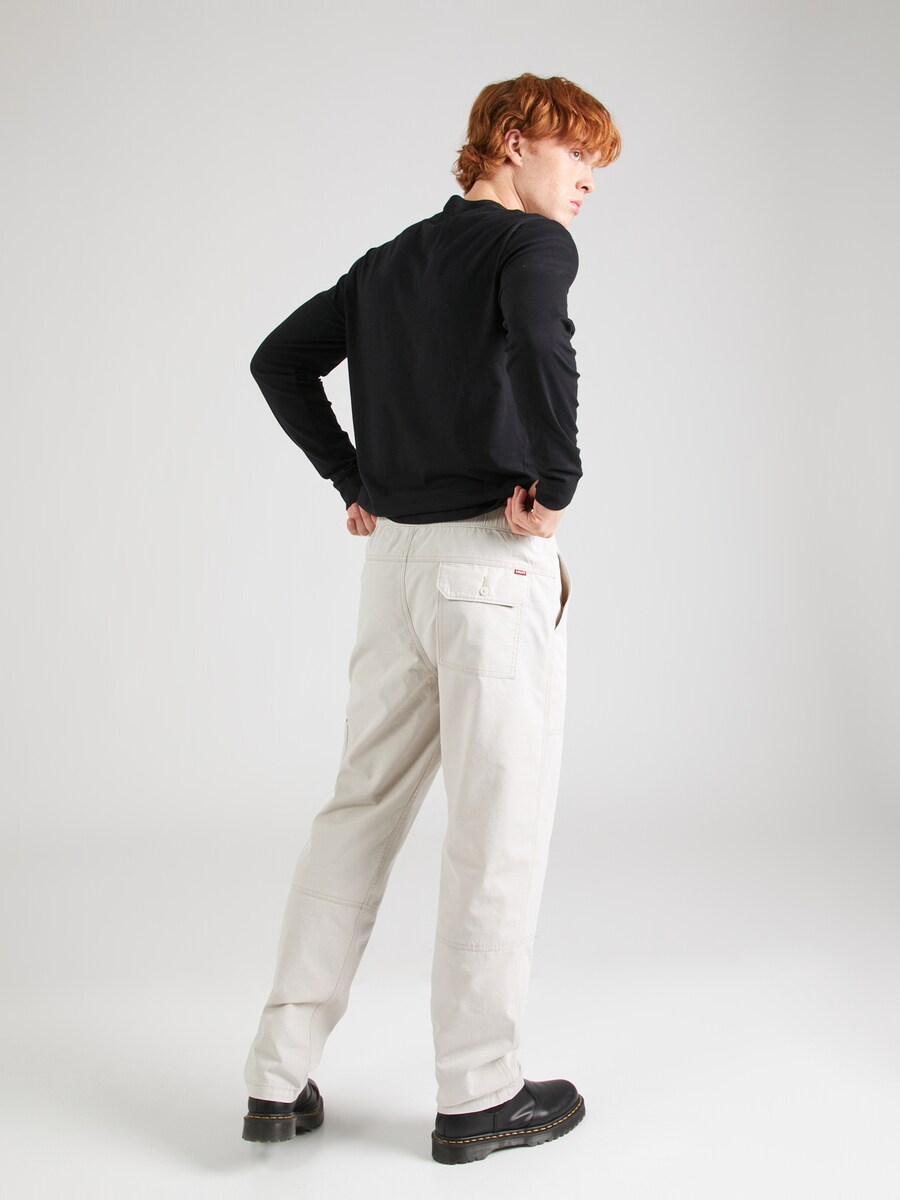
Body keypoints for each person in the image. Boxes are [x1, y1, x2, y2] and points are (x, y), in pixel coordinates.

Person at [240, 71, 621, 1165]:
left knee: (356, 813)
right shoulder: (532, 245)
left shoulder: (387, 264)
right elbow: (545, 350)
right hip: (489, 569)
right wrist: (557, 485)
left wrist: (352, 477)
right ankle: (479, 1092)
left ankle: (275, 1078)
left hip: (396, 571)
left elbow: (278, 360)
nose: (588, 182)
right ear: (512, 140)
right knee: (495, 830)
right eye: (576, 154)